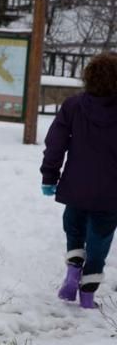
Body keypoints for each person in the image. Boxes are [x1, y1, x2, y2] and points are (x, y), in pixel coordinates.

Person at [41, 51, 117, 309]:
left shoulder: (73, 106)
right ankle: (88, 294)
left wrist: (49, 175)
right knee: (100, 237)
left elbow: (55, 143)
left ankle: (74, 268)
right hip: (111, 192)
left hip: (76, 185)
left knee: (73, 227)